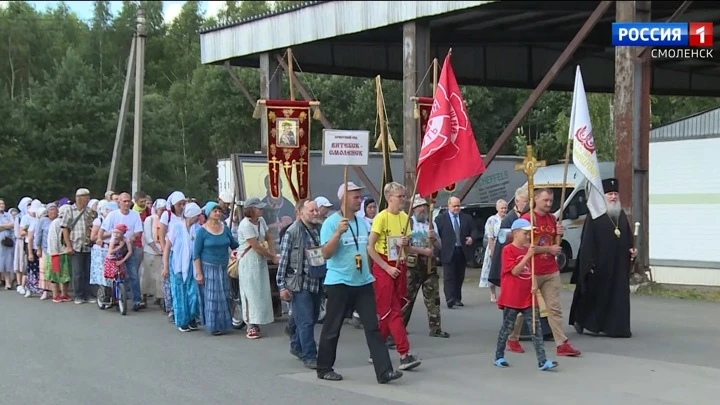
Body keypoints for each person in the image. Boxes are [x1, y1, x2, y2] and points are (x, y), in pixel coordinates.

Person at [316, 182, 403, 384]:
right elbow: (325, 254)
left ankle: (384, 372)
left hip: (363, 281)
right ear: (344, 198)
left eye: (360, 197)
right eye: (356, 197)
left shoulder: (361, 223)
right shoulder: (331, 223)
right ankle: (324, 367)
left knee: (373, 327)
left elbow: (366, 249)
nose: (360, 200)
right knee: (333, 327)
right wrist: (337, 233)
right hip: (339, 282)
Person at [569, 178, 636, 338]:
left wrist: (632, 250)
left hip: (619, 266)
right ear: (603, 196)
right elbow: (587, 242)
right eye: (609, 194)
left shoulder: (620, 215)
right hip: (599, 265)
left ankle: (617, 328)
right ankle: (583, 321)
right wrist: (589, 263)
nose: (613, 197)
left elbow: (626, 236)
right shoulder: (595, 216)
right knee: (595, 295)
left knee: (618, 296)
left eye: (615, 194)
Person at [521, 188, 581, 357]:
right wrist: (549, 248)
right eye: (545, 200)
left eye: (550, 201)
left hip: (550, 271)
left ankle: (561, 344)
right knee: (522, 307)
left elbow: (555, 242)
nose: (548, 204)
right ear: (536, 200)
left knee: (554, 308)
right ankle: (511, 337)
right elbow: (526, 246)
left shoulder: (552, 218)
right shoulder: (527, 219)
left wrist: (558, 233)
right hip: (531, 271)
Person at [493, 218, 558, 371]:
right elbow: (515, 271)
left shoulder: (528, 249)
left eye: (529, 234)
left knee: (536, 329)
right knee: (507, 327)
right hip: (512, 296)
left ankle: (542, 361)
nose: (528, 237)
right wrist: (528, 255)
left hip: (528, 296)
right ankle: (499, 356)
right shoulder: (508, 250)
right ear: (515, 233)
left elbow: (532, 270)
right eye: (525, 233)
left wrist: (534, 283)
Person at [277, 199, 324, 369]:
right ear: (301, 212)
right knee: (306, 321)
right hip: (300, 282)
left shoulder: (319, 229)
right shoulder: (292, 232)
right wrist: (281, 285)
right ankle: (309, 356)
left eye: (316, 210)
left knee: (311, 317)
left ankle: (297, 345)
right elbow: (283, 260)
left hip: (316, 280)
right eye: (311, 211)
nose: (315, 213)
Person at [402, 195, 449, 338]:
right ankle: (400, 328)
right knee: (407, 298)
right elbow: (404, 246)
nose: (422, 209)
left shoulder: (431, 224)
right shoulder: (408, 223)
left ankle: (436, 328)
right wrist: (423, 251)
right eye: (419, 206)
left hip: (429, 265)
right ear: (413, 209)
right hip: (413, 265)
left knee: (433, 298)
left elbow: (440, 246)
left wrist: (433, 239)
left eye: (424, 206)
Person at [194, 202, 240, 336]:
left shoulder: (225, 229)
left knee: (224, 296)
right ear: (208, 213)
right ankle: (213, 325)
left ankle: (223, 324)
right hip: (208, 268)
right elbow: (196, 254)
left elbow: (234, 244)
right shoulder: (202, 231)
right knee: (211, 298)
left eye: (219, 211)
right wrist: (199, 273)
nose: (218, 213)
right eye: (215, 211)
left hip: (223, 267)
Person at [235, 197, 276, 339]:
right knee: (249, 290)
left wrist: (273, 253)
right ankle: (250, 324)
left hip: (259, 260)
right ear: (251, 209)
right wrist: (271, 256)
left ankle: (258, 319)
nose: (261, 210)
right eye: (258, 208)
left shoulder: (261, 221)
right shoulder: (245, 225)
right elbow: (256, 246)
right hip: (248, 260)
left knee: (260, 290)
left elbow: (268, 237)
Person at [434, 196, 479, 308]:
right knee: (449, 276)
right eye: (454, 206)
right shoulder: (440, 219)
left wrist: (472, 238)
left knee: (459, 276)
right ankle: (450, 299)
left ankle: (457, 298)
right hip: (447, 251)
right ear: (449, 205)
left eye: (458, 206)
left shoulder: (466, 218)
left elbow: (475, 230)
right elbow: (436, 235)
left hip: (461, 250)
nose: (456, 208)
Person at [164, 203, 202, 332]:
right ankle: (182, 321)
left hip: (192, 265)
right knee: (179, 293)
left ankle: (192, 318)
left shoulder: (197, 229)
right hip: (177, 264)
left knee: (193, 293)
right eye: (197, 215)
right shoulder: (176, 227)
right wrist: (165, 267)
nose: (199, 218)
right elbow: (167, 248)